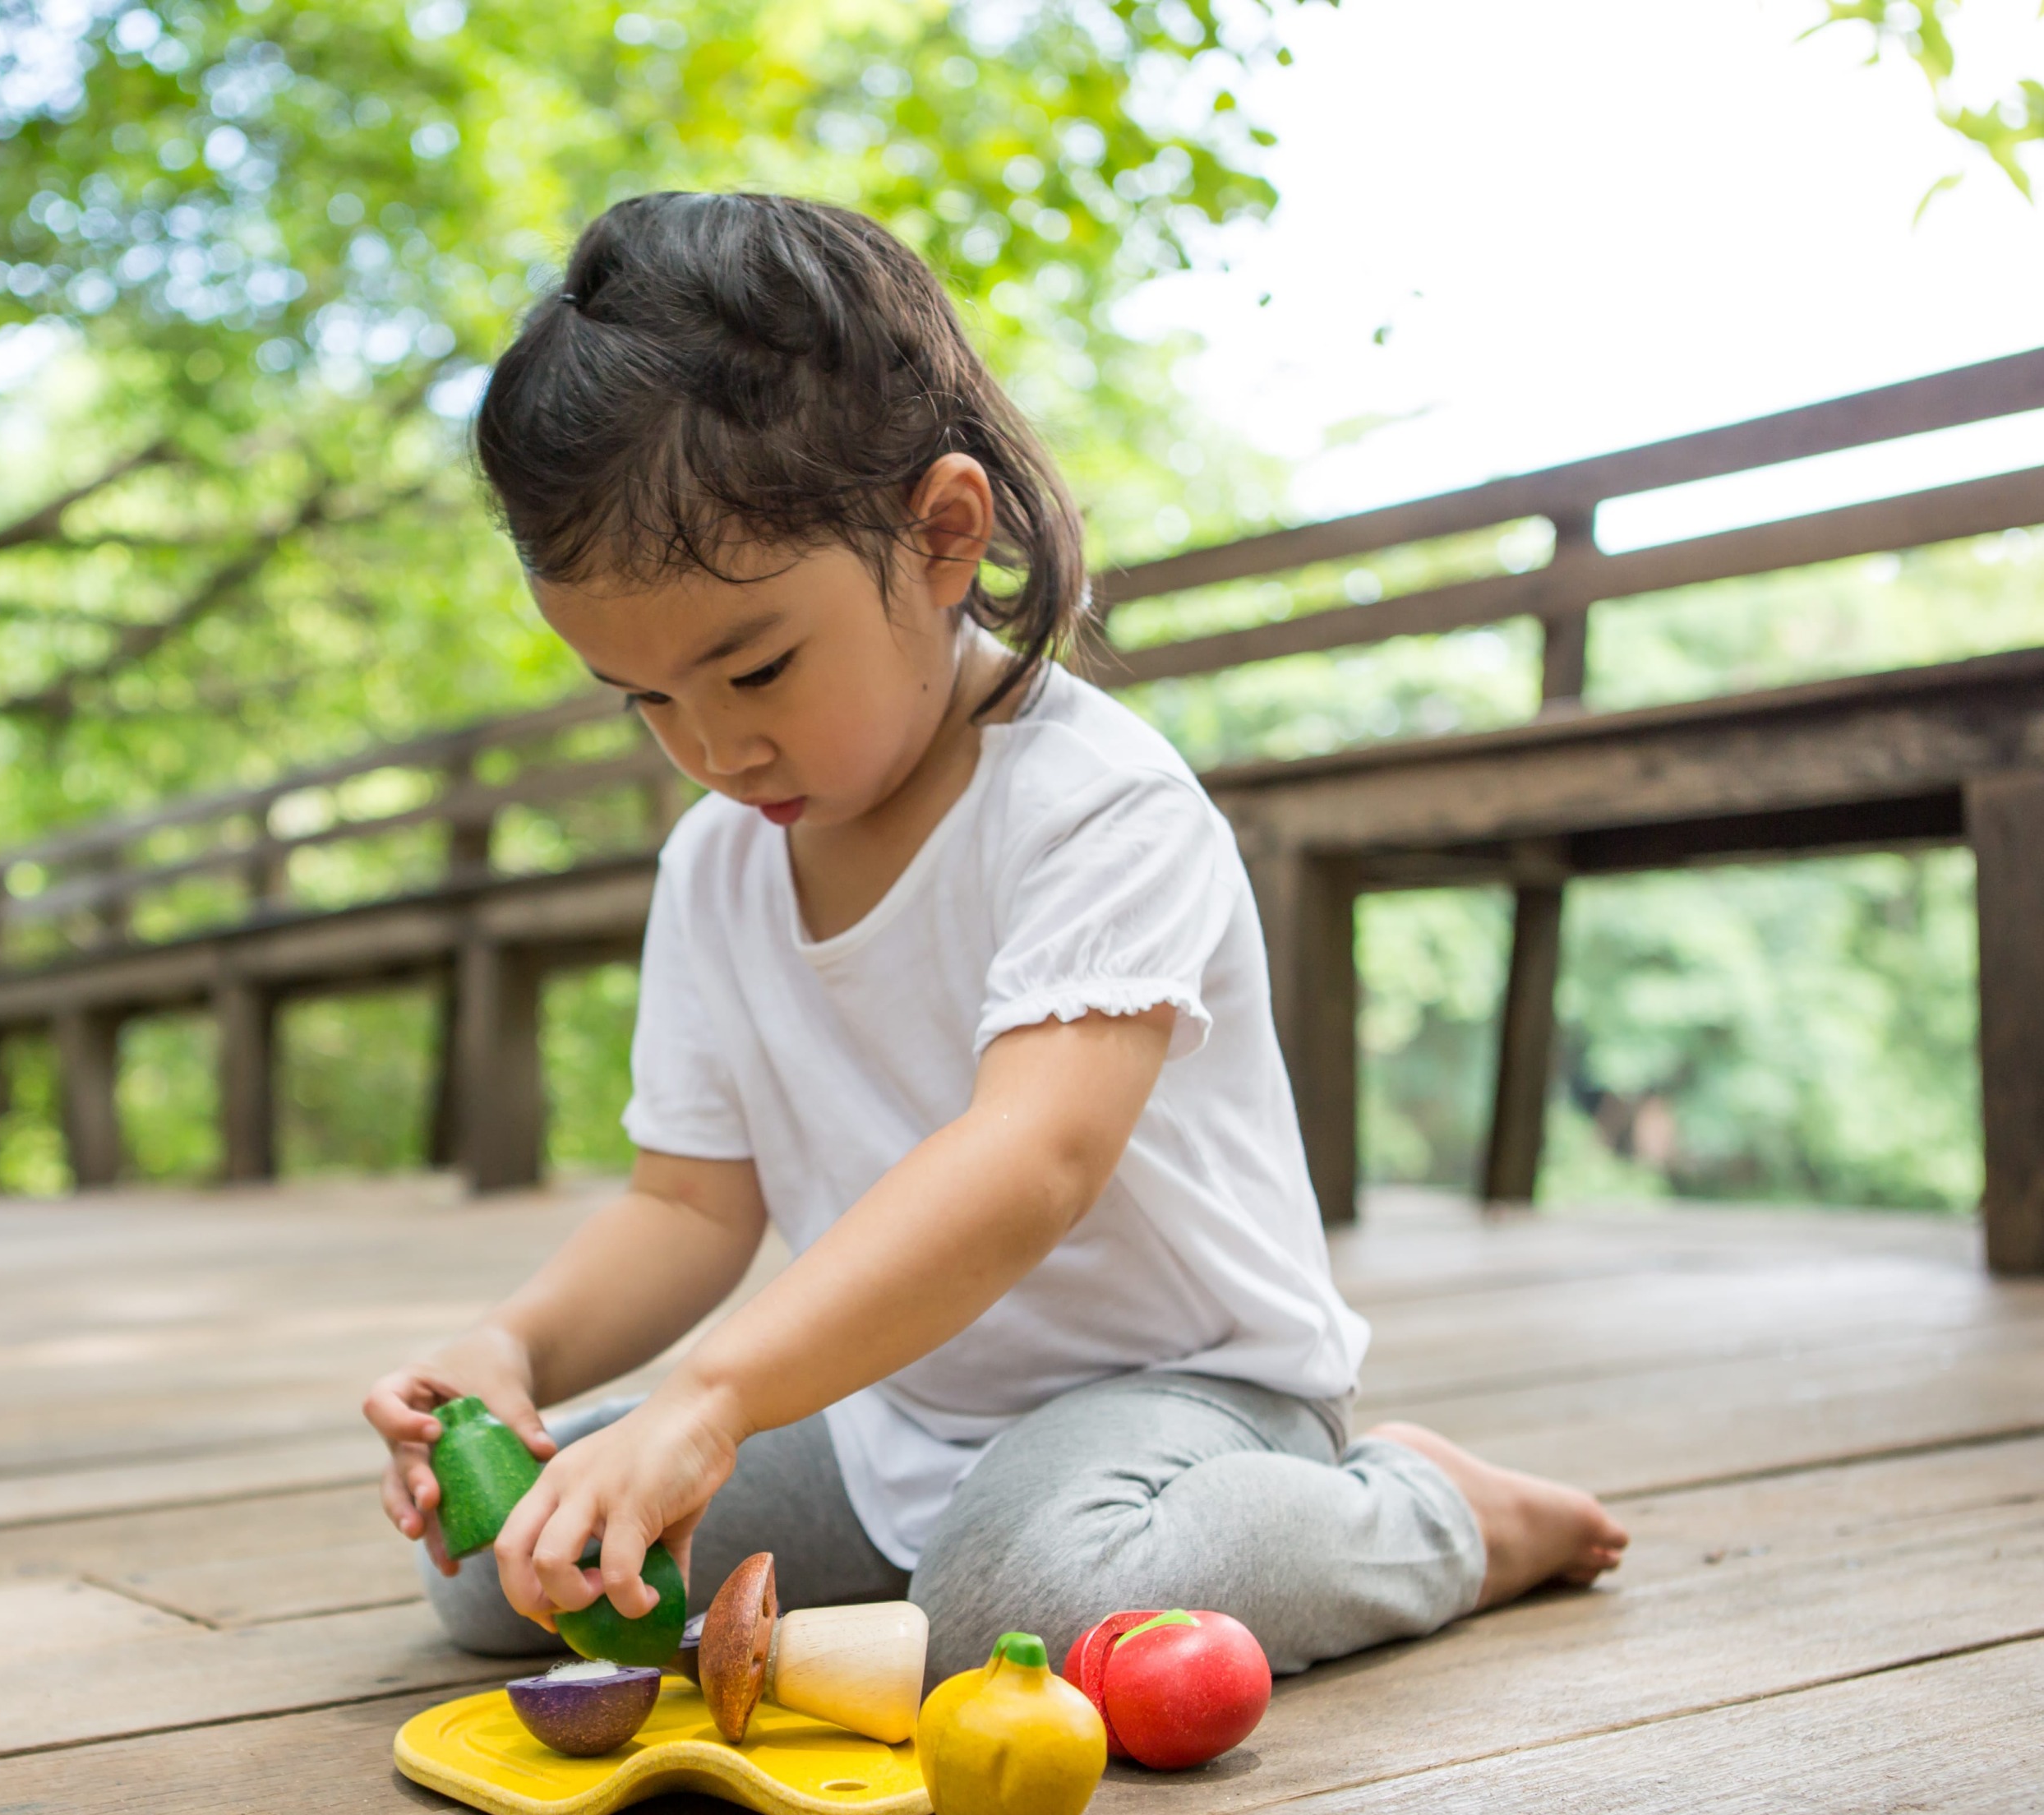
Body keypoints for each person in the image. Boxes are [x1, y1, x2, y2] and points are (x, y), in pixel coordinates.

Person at [364, 192, 1626, 1688]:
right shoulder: (715, 860)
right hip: (891, 1400)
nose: (712, 749)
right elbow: (688, 1205)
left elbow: (1030, 1161)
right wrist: (516, 1351)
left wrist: (711, 1395)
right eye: (645, 700)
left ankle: (1431, 1512)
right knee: (511, 1569)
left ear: (942, 537)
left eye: (755, 669)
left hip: (1182, 1398)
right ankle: (922, 1536)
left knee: (1013, 1609)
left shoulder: (1094, 805)